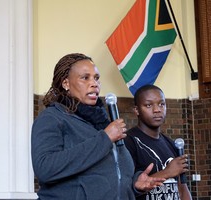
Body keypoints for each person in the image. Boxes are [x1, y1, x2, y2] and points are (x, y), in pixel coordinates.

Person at [31, 53, 165, 200]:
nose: (94, 83)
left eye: (96, 78)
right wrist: (105, 138)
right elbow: (45, 168)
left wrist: (134, 183)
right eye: (85, 77)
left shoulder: (103, 122)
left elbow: (112, 173)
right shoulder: (52, 118)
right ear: (66, 83)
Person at [124, 84, 192, 200]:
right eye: (149, 105)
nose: (157, 110)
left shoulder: (171, 144)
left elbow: (182, 187)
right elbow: (124, 189)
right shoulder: (129, 142)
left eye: (161, 104)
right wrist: (167, 172)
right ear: (137, 110)